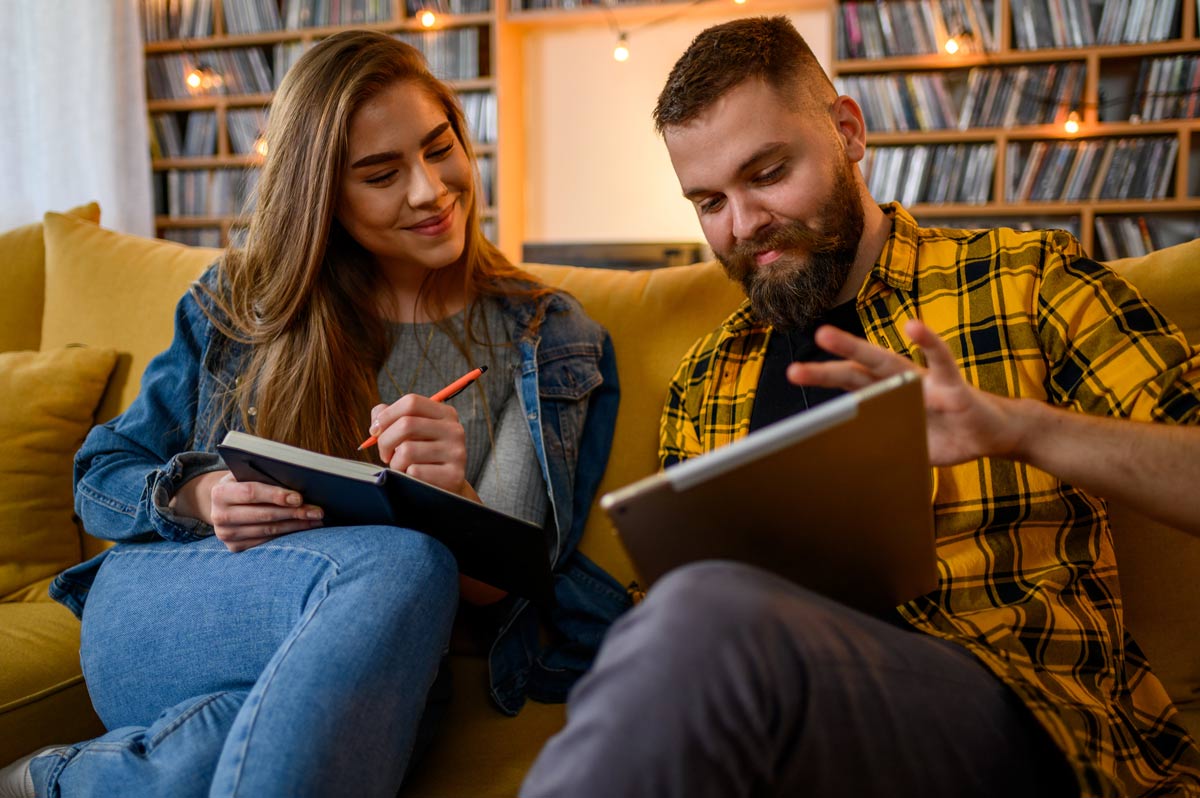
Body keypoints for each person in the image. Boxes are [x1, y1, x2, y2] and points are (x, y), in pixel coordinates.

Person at [519, 16, 1200, 798]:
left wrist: (1019, 427)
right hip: (784, 723)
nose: (743, 227)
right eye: (709, 202)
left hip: (1020, 714)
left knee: (698, 616)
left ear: (847, 131)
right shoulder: (711, 375)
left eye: (768, 173)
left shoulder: (1021, 280)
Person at [0, 30, 624, 798]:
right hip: (171, 609)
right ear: (322, 193)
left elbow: (508, 590)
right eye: (380, 174)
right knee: (407, 563)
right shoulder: (242, 303)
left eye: (440, 148)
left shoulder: (548, 339)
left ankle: (53, 782)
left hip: (376, 662)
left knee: (267, 737)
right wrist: (202, 494)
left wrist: (454, 500)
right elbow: (99, 476)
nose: (429, 190)